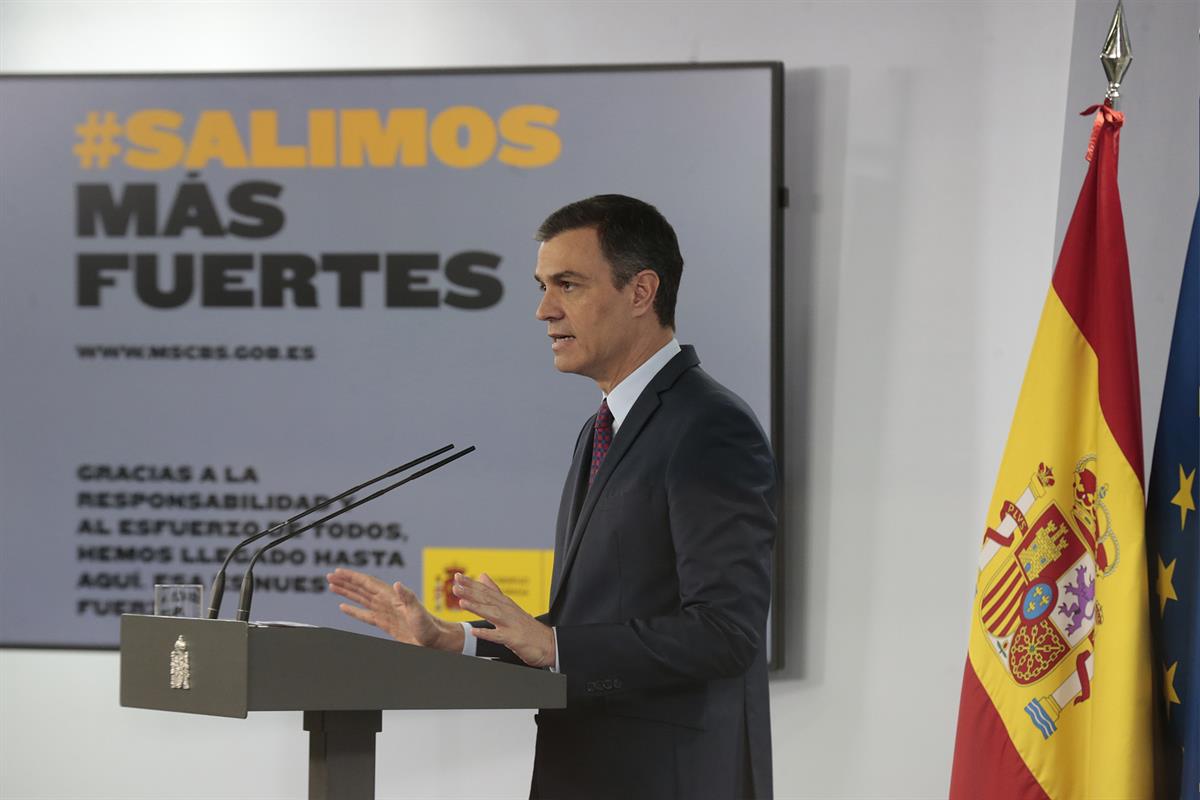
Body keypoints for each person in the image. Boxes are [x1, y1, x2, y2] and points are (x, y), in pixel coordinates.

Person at [328, 194, 777, 799]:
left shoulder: (708, 426)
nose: (544, 310)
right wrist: (455, 638)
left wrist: (556, 643)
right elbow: (587, 628)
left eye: (568, 285)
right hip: (587, 771)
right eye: (542, 285)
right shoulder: (600, 429)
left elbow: (728, 631)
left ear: (641, 292)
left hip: (670, 778)